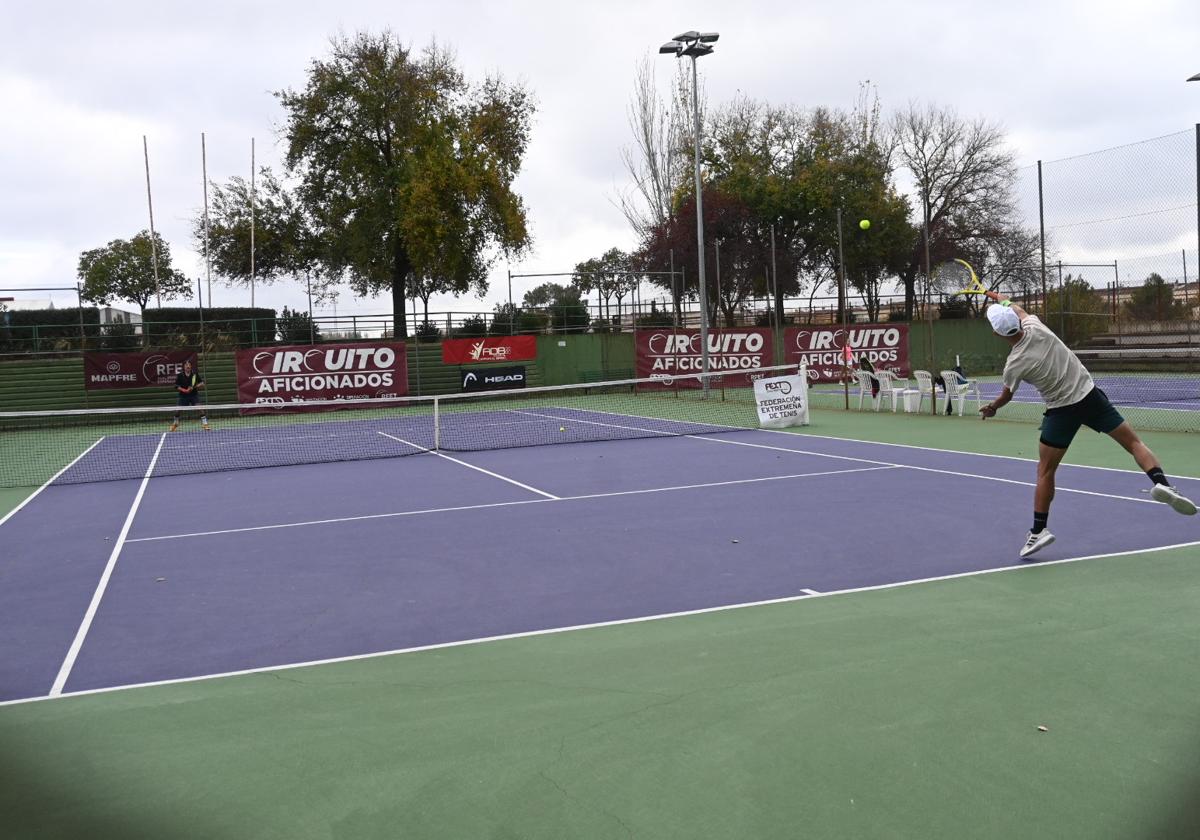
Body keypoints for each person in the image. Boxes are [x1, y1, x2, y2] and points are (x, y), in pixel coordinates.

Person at [978, 292, 1195, 558]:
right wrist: (998, 297)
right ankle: (1162, 483)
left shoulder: (1014, 364)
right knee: (1134, 443)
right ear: (1016, 320)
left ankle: (1038, 532)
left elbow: (1006, 396)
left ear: (997, 334)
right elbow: (1017, 308)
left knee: (1045, 471)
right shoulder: (1035, 325)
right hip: (1090, 397)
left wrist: (992, 407)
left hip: (1061, 411)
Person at [171, 359, 210, 432]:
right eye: (186, 365)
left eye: (189, 365)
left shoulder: (195, 374)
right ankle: (175, 423)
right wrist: (184, 390)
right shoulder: (180, 375)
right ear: (184, 367)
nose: (188, 366)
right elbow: (176, 386)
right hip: (183, 396)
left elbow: (202, 383)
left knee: (200, 409)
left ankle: (205, 424)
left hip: (193, 395)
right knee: (177, 411)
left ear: (191, 366)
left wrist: (194, 387)